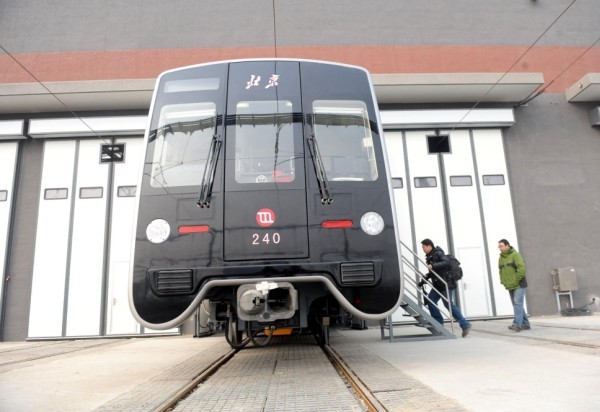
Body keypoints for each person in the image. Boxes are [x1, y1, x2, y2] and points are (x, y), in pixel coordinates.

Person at [418, 239, 471, 337]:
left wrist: (432, 265)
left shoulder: (438, 253)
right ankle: (439, 324)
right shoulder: (430, 257)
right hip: (438, 284)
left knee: (448, 304)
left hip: (446, 283)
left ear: (429, 246)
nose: (423, 249)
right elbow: (435, 271)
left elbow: (445, 262)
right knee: (431, 301)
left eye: (424, 247)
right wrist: (426, 277)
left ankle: (465, 325)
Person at [498, 239, 530, 331]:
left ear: (507, 245)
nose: (500, 248)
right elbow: (501, 271)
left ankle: (516, 325)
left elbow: (522, 269)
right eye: (499, 246)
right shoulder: (501, 258)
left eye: (501, 246)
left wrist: (515, 280)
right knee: (517, 304)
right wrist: (503, 281)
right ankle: (525, 324)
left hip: (518, 284)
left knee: (517, 303)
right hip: (510, 285)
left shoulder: (515, 255)